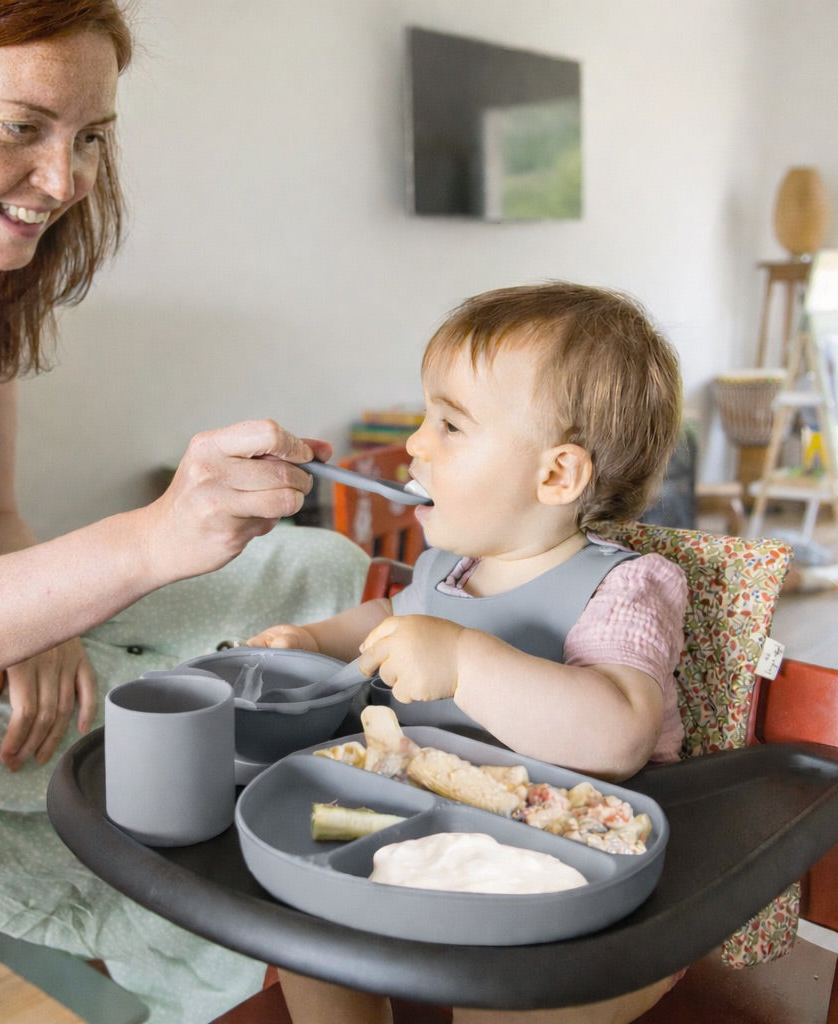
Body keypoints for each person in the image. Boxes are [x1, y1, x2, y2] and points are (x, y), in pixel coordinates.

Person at [0, 2, 368, 1020]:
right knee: (178, 746)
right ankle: (308, 910)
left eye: (90, 137)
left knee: (313, 569)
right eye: (22, 127)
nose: (64, 184)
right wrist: (153, 537)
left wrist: (45, 617)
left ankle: (355, 888)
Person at [248, 282, 690, 1024]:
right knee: (301, 913)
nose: (416, 444)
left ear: (556, 476)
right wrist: (314, 640)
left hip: (571, 880)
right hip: (422, 824)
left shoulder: (623, 589)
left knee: (506, 1001)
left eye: (450, 425)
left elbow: (619, 735)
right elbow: (391, 617)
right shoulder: (447, 567)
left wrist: (464, 661)